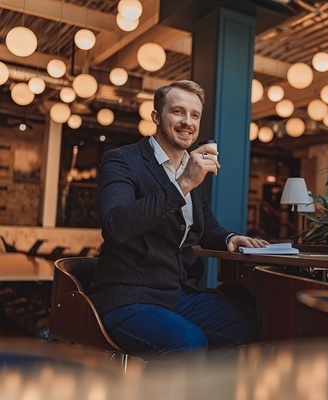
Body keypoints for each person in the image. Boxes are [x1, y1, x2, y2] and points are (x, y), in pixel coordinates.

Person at [88, 80, 268, 363]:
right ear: (157, 117)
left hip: (179, 293)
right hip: (129, 296)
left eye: (194, 115)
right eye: (178, 112)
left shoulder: (191, 167)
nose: (188, 122)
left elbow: (206, 227)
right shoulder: (122, 160)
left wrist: (230, 238)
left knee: (258, 326)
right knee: (188, 343)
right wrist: (182, 183)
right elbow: (116, 225)